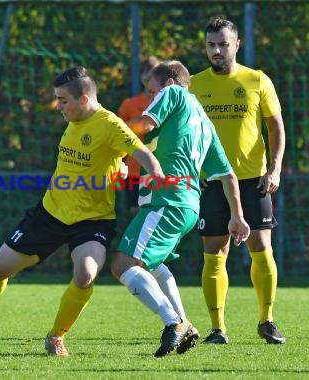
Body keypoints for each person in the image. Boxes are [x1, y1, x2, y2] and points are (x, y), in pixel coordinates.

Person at [0, 66, 163, 357]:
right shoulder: (75, 118)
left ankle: (56, 336)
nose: (58, 105)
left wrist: (156, 176)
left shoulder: (111, 125)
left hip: (92, 221)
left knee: (86, 273)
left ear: (84, 100)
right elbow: (104, 158)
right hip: (50, 214)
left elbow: (142, 153)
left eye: (63, 100)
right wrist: (117, 168)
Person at [111, 60, 251, 357]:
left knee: (123, 264)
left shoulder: (172, 94)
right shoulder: (203, 119)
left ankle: (174, 322)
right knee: (150, 264)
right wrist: (237, 216)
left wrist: (105, 135)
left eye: (152, 92)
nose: (151, 99)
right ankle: (183, 320)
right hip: (185, 204)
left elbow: (143, 126)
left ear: (170, 83)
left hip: (167, 201)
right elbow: (227, 174)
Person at [190, 16, 287, 344]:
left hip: (253, 180)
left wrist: (274, 169)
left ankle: (267, 320)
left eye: (222, 44)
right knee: (215, 252)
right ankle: (217, 329)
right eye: (210, 45)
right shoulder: (193, 84)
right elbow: (183, 135)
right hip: (211, 181)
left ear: (237, 45)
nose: (216, 50)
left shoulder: (258, 80)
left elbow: (276, 128)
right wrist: (191, 172)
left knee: (262, 248)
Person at [118, 56, 160, 218]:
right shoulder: (130, 104)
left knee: (156, 214)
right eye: (148, 74)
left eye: (156, 73)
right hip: (135, 169)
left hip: (160, 168)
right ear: (143, 76)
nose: (151, 79)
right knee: (136, 214)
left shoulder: (168, 101)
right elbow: (118, 135)